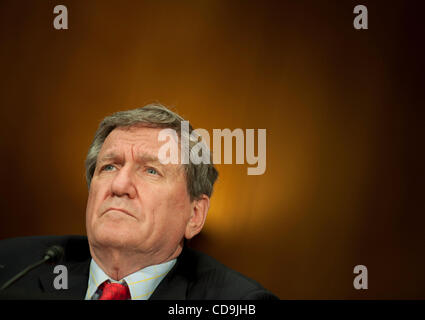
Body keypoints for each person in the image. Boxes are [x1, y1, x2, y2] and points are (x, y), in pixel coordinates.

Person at [0, 104, 277, 300]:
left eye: (151, 171)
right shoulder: (10, 267)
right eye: (109, 167)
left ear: (194, 215)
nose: (120, 186)